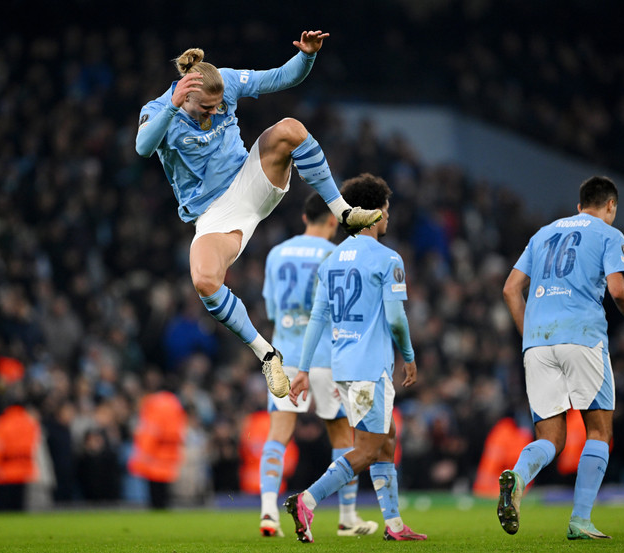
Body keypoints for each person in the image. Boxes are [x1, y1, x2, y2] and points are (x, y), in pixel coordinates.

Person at [135, 30, 383, 401]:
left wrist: (308, 56)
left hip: (250, 180)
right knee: (204, 280)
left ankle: (344, 214)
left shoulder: (226, 83)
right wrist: (170, 105)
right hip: (213, 215)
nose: (215, 112)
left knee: (290, 129)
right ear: (184, 96)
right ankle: (266, 354)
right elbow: (142, 148)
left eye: (220, 106)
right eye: (206, 109)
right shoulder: (160, 111)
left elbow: (283, 76)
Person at [500, 175, 624, 540]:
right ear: (611, 205)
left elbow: (510, 289)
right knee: (599, 430)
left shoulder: (542, 234)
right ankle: (580, 520)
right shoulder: (608, 233)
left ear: (578, 205)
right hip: (583, 337)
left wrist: (531, 337)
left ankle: (518, 476)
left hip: (537, 344)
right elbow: (617, 289)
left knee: (552, 438)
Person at [284, 173, 426, 543]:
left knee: (387, 438)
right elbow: (396, 317)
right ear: (376, 214)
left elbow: (317, 318)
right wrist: (408, 356)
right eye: (387, 210)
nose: (389, 218)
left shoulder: (331, 260)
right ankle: (308, 500)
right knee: (367, 448)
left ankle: (394, 525)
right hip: (368, 369)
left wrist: (302, 370)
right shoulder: (387, 258)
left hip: (342, 367)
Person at [258, 192, 378, 538]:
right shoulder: (335, 254)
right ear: (331, 221)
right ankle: (347, 517)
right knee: (342, 433)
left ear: (303, 217)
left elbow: (271, 311)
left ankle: (268, 512)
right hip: (326, 356)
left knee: (278, 434)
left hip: (283, 356)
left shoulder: (275, 253)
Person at [127, 386, 187, 509]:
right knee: (164, 492)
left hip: (154, 456)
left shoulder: (153, 404)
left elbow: (150, 432)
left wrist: (143, 453)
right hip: (169, 454)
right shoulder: (175, 404)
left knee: (155, 493)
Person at [0, 395, 42, 511]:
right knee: (18, 509)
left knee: (3, 510)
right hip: (24, 471)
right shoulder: (30, 423)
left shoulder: (2, 423)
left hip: (5, 473)